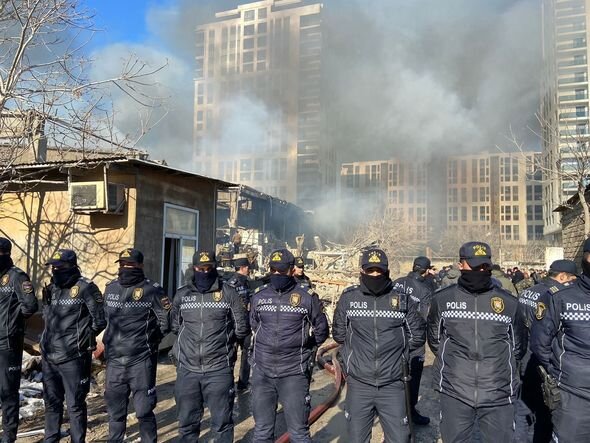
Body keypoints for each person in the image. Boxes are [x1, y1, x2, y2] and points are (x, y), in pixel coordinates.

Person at [427, 242, 526, 443]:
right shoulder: (443, 300)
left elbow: (518, 347)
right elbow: (435, 340)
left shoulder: (509, 303)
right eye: (475, 266)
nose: (481, 270)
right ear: (461, 265)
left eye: (485, 266)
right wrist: (456, 365)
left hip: (497, 392)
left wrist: (496, 370)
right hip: (455, 391)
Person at [333, 248, 426, 442]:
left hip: (392, 384)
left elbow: (417, 336)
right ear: (362, 271)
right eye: (370, 270)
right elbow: (339, 334)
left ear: (387, 271)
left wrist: (397, 356)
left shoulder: (401, 299)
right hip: (359, 384)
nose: (375, 275)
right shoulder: (349, 298)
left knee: (400, 438)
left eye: (379, 270)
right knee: (357, 439)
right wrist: (354, 360)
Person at [250, 248, 329, 443]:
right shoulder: (259, 296)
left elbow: (321, 329)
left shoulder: (307, 297)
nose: (277, 274)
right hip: (263, 373)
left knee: (299, 433)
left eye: (281, 270)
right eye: (273, 270)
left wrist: (307, 347)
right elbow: (253, 325)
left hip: (293, 373)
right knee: (261, 432)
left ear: (292, 270)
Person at [171, 250, 249, 443]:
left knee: (222, 424)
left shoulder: (228, 293)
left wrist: (225, 347)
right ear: (193, 268)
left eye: (209, 268)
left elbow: (241, 328)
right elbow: (175, 326)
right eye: (200, 268)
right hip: (188, 370)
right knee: (187, 425)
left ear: (215, 268)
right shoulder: (182, 294)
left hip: (218, 370)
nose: (204, 272)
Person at [103, 248, 172, 443]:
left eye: (131, 265)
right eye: (123, 264)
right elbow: (105, 318)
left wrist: (150, 340)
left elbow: (165, 322)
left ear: (140, 266)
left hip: (140, 361)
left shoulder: (152, 290)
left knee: (143, 411)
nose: (126, 268)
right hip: (115, 361)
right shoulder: (111, 288)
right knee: (115, 412)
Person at [41, 249, 106, 443]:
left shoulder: (86, 288)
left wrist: (82, 339)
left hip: (74, 358)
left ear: (71, 266)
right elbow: (47, 316)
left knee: (75, 405)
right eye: (53, 267)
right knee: (52, 404)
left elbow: (100, 320)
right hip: (50, 357)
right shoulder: (52, 288)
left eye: (59, 266)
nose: (55, 270)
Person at [531, 239, 590, 442]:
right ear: (585, 258)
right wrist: (562, 372)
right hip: (574, 395)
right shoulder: (560, 296)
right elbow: (540, 343)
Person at [518, 259, 576, 443]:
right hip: (546, 361)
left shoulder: (527, 292)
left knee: (523, 409)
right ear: (562, 276)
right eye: (572, 280)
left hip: (525, 357)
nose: (573, 284)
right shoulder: (556, 296)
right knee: (546, 413)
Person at [0, 238, 38, 442]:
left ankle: (8, 436)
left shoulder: (16, 276)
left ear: (5, 253)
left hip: (7, 343)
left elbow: (30, 306)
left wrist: (12, 323)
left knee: (7, 392)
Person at [392, 255, 433, 425]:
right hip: (414, 339)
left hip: (393, 335)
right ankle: (410, 411)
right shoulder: (424, 290)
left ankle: (394, 410)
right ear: (426, 271)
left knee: (394, 374)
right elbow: (424, 317)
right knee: (413, 376)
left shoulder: (397, 282)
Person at [226, 254, 252, 390]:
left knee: (247, 354)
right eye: (247, 267)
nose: (249, 269)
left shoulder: (246, 281)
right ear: (242, 268)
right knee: (231, 355)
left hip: (246, 324)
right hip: (234, 325)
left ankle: (243, 382)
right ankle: (228, 383)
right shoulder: (231, 284)